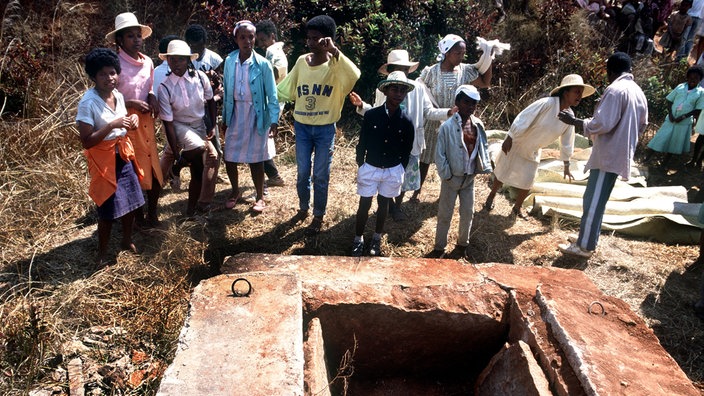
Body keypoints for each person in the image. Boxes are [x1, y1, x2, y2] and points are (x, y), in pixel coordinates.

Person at [557, 52, 648, 258]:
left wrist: (576, 122)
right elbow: (643, 124)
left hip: (608, 155)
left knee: (593, 201)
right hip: (617, 153)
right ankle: (587, 237)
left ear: (611, 71)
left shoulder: (615, 90)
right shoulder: (637, 91)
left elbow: (602, 124)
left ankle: (584, 247)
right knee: (597, 199)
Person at [276, 15, 361, 235]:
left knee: (321, 175)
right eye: (309, 38)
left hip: (325, 129)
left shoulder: (336, 66)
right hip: (302, 128)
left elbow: (354, 75)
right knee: (303, 172)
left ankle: (318, 215)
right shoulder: (302, 62)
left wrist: (334, 52)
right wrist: (267, 95)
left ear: (328, 40)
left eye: (316, 39)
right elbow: (286, 88)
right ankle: (303, 207)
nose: (311, 43)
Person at [348, 49, 455, 221]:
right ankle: (387, 203)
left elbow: (428, 112)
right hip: (386, 139)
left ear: (407, 71)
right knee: (387, 170)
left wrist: (448, 112)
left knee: (403, 173)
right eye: (394, 69)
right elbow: (377, 112)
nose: (399, 73)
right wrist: (361, 106)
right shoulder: (383, 89)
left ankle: (396, 206)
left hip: (409, 140)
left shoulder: (419, 88)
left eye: (403, 69)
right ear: (389, 72)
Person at [484, 74, 596, 219]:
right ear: (565, 92)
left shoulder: (570, 117)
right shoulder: (547, 103)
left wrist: (566, 164)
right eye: (576, 91)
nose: (579, 96)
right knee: (503, 171)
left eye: (581, 93)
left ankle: (517, 208)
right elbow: (524, 117)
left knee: (528, 179)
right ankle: (491, 196)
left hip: (534, 149)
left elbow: (567, 141)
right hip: (518, 141)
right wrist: (510, 136)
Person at [412, 34, 502, 203]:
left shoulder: (466, 71)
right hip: (434, 122)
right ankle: (417, 192)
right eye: (457, 53)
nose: (461, 57)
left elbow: (485, 83)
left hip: (456, 124)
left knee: (452, 159)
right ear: (446, 52)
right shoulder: (430, 72)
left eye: (463, 53)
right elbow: (420, 92)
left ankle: (444, 195)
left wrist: (489, 57)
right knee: (425, 159)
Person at [76, 48, 144, 264]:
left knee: (132, 200)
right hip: (103, 159)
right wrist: (111, 125)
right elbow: (87, 141)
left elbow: (122, 125)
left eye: (113, 73)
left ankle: (126, 239)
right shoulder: (88, 103)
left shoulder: (119, 96)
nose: (109, 78)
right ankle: (102, 253)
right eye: (103, 74)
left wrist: (131, 123)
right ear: (94, 76)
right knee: (107, 206)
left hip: (123, 154)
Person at [106, 12, 163, 228]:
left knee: (153, 169)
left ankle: (153, 213)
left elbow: (149, 88)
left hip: (146, 122)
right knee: (134, 171)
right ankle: (138, 218)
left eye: (138, 35)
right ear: (120, 40)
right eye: (130, 36)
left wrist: (151, 97)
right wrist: (131, 104)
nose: (136, 40)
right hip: (126, 124)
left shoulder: (147, 61)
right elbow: (109, 97)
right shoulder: (115, 64)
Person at [351, 71, 415, 257]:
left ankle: (377, 238)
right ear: (386, 91)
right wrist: (361, 163)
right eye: (394, 89)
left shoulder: (407, 121)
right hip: (370, 166)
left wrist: (400, 167)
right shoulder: (372, 115)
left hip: (393, 169)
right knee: (364, 204)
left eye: (402, 90)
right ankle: (358, 238)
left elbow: (406, 149)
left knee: (384, 204)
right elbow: (361, 143)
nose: (398, 93)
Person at [221, 20, 279, 213]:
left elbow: (272, 95)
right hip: (236, 113)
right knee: (229, 156)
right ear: (236, 39)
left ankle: (260, 196)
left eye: (251, 37)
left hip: (256, 115)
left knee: (256, 159)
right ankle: (235, 191)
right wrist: (225, 118)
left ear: (255, 38)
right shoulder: (230, 61)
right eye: (243, 37)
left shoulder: (263, 64)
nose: (247, 41)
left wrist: (273, 119)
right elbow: (227, 92)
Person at [156, 40, 218, 217]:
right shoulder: (165, 87)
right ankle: (175, 168)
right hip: (179, 125)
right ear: (167, 60)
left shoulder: (200, 77)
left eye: (181, 59)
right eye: (172, 59)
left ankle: (192, 210)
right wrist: (177, 154)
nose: (177, 64)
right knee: (199, 148)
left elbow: (211, 101)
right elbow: (168, 123)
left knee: (198, 168)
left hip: (198, 125)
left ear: (188, 60)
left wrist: (212, 124)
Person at [429, 85, 492, 259]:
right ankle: (439, 247)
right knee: (445, 214)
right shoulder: (447, 127)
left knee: (467, 213)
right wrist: (447, 175)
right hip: (452, 179)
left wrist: (483, 166)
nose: (470, 106)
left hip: (469, 179)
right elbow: (439, 154)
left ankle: (462, 244)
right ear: (457, 102)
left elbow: (482, 147)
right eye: (466, 102)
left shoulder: (478, 124)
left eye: (474, 103)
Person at [185, 24, 224, 206]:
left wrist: (215, 95)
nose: (196, 50)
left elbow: (223, 84)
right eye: (192, 46)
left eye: (199, 47)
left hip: (209, 109)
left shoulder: (214, 59)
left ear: (205, 44)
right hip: (190, 110)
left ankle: (212, 178)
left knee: (213, 145)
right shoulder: (184, 59)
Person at [645, 65, 704, 167]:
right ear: (687, 77)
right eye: (691, 77)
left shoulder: (701, 92)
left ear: (700, 80)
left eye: (696, 78)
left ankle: (664, 164)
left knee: (674, 143)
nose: (693, 80)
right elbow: (669, 100)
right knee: (660, 138)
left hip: (683, 123)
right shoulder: (680, 87)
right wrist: (671, 114)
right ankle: (647, 159)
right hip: (671, 120)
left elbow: (698, 109)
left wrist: (684, 116)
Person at [255, 19, 287, 189]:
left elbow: (274, 76)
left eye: (262, 40)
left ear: (272, 36)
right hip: (269, 103)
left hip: (271, 104)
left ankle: (273, 176)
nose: (260, 44)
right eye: (258, 41)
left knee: (260, 140)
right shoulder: (270, 52)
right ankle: (272, 175)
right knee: (261, 140)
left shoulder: (276, 55)